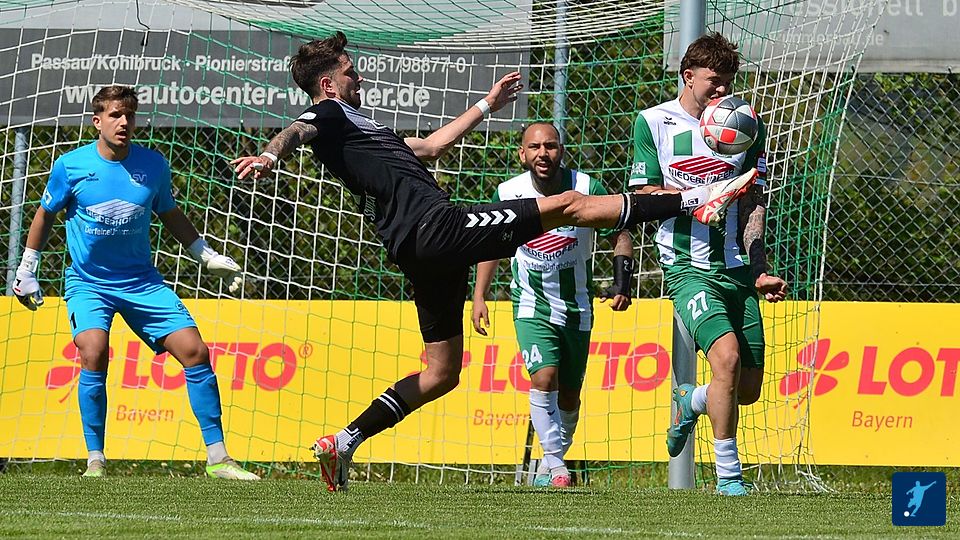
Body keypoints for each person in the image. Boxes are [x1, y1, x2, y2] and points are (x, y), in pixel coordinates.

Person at [231, 31, 756, 492]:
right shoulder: (327, 114)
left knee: (441, 373)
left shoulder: (362, 129)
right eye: (350, 72)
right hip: (436, 228)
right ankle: (697, 198)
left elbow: (431, 148)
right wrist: (271, 155)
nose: (359, 77)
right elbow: (297, 130)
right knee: (568, 205)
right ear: (328, 84)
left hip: (419, 252)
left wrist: (487, 104)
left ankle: (344, 441)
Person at [12, 85, 259, 480]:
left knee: (195, 351)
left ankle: (219, 459)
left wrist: (206, 255)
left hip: (142, 283)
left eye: (129, 115)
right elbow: (45, 214)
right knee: (93, 350)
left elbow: (170, 213)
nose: (124, 122)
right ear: (97, 121)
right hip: (89, 283)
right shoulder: (70, 166)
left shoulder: (154, 165)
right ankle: (95, 460)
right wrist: (27, 268)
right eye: (115, 115)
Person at [627, 33, 787, 496]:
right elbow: (642, 196)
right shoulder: (653, 122)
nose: (722, 91)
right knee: (727, 359)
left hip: (735, 268)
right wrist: (697, 200)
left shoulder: (745, 124)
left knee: (747, 388)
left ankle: (691, 400)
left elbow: (753, 201)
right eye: (714, 81)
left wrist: (759, 268)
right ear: (688, 76)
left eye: (728, 82)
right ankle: (729, 478)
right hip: (685, 266)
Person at [471, 122, 633, 488]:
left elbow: (620, 231)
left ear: (561, 150)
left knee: (570, 396)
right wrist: (479, 295)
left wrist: (622, 281)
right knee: (544, 377)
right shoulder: (508, 192)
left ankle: (548, 466)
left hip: (577, 306)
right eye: (534, 147)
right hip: (530, 304)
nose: (543, 153)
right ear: (522, 154)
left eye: (550, 146)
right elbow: (492, 244)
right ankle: (559, 468)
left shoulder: (587, 187)